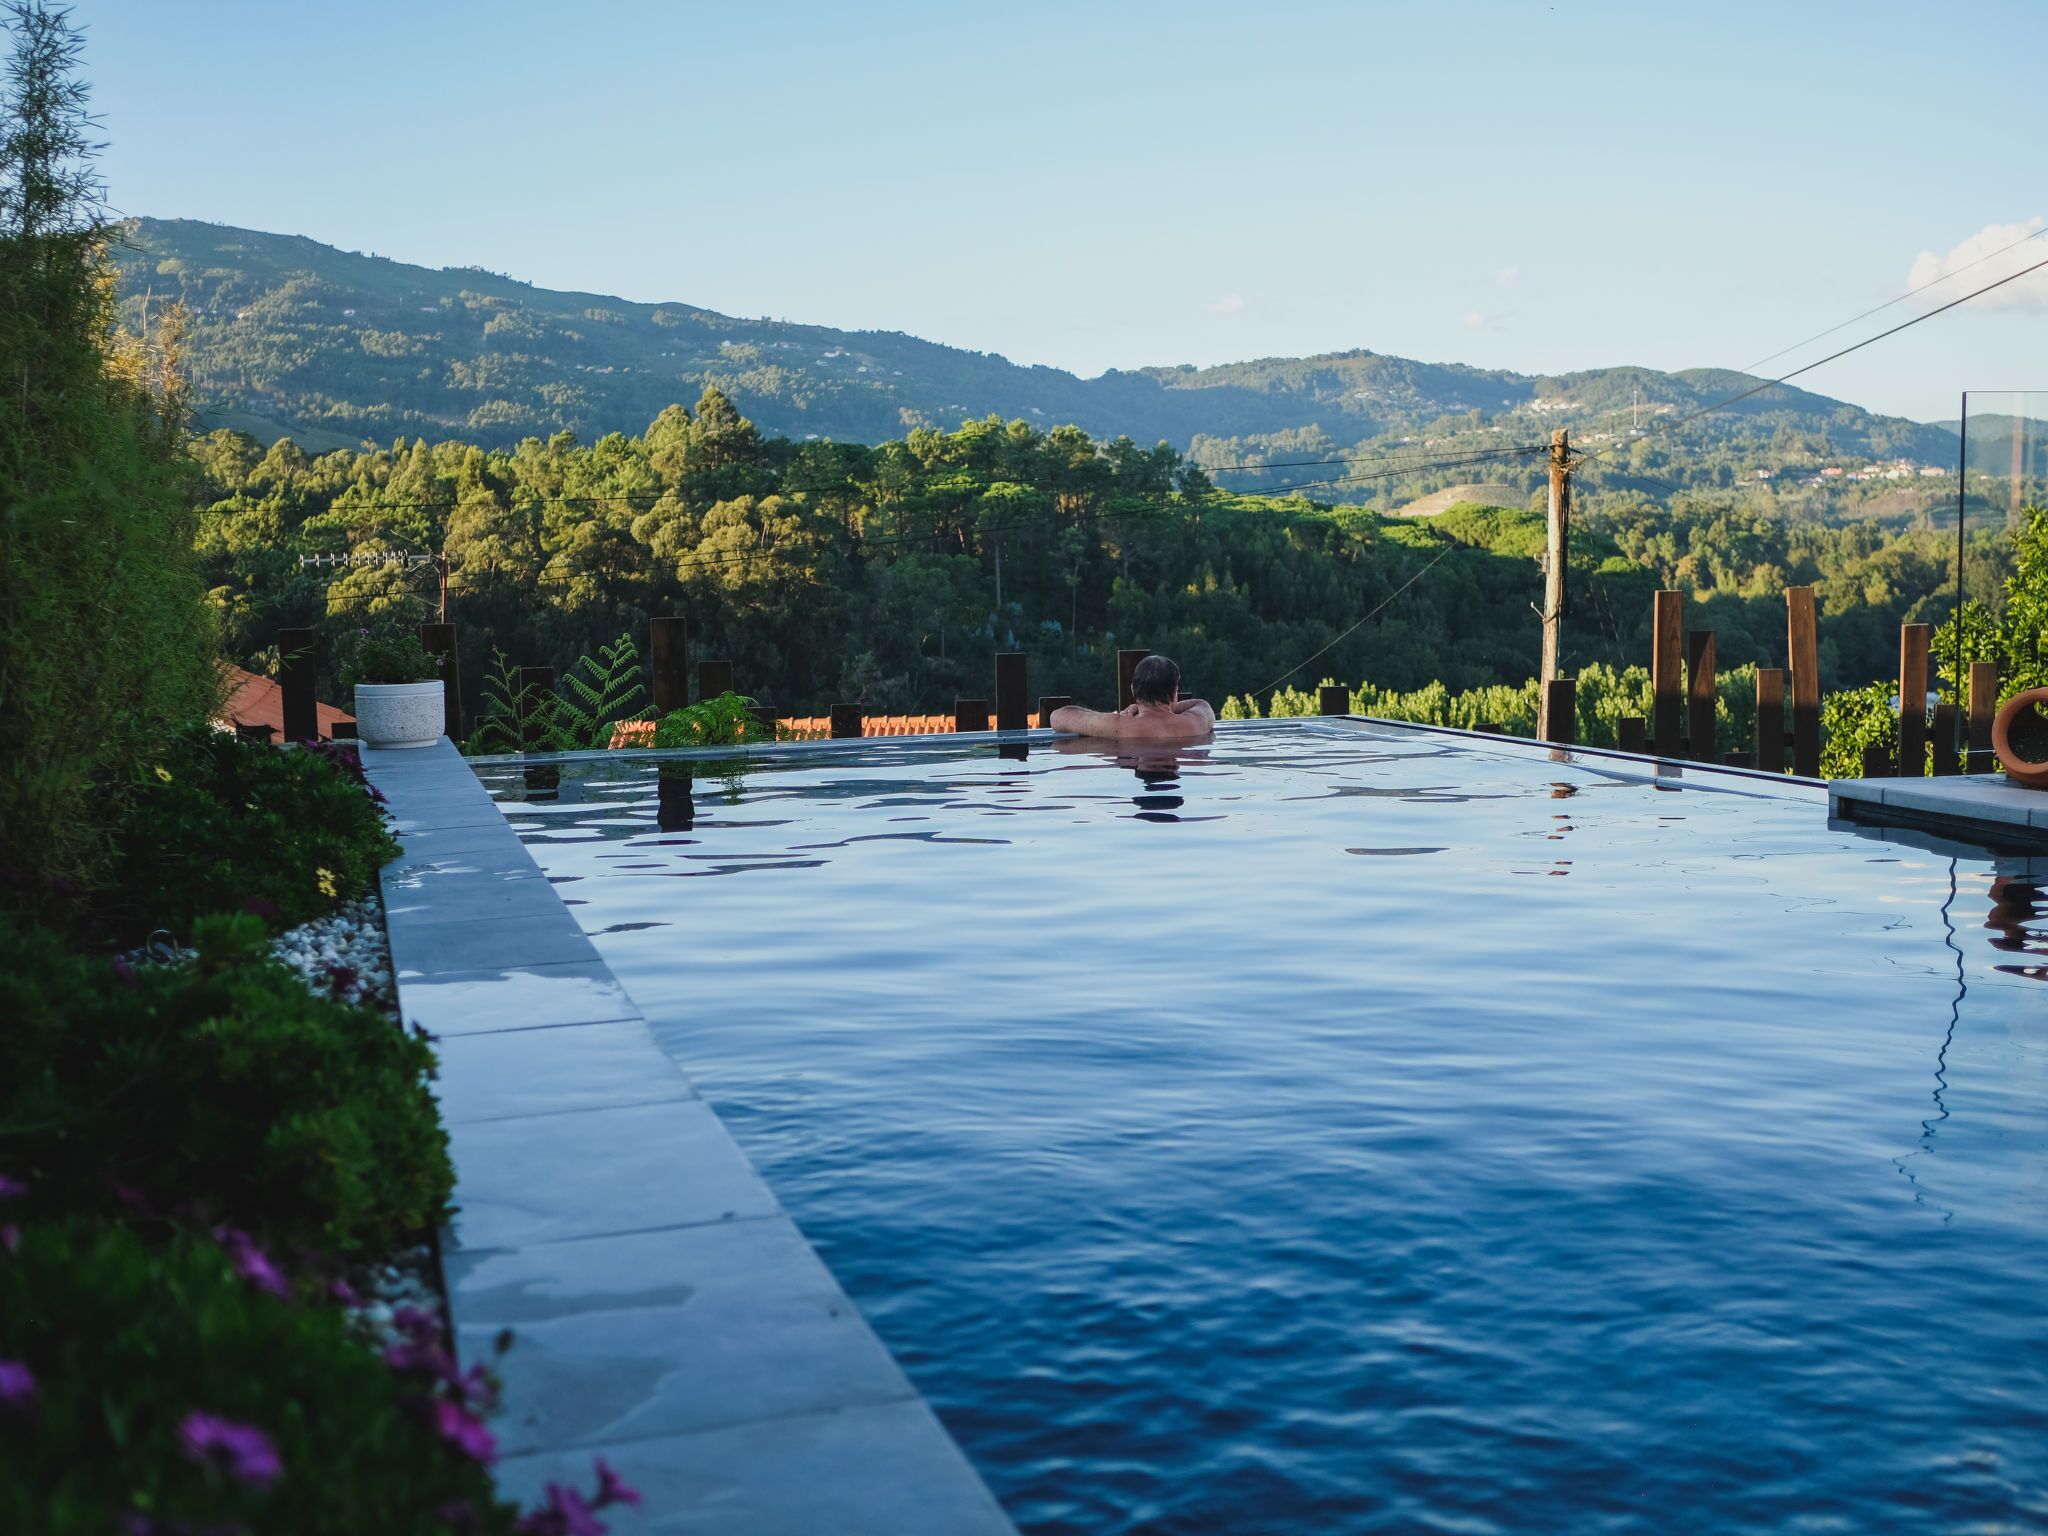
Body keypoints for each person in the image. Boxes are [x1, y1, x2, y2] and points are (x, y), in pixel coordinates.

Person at [1048, 655, 1215, 740]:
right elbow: (1202, 704)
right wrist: (1163, 708)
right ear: (1174, 693)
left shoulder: (1118, 726)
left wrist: (1139, 708)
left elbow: (1058, 717)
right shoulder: (1195, 724)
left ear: (1133, 690)